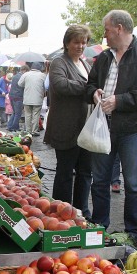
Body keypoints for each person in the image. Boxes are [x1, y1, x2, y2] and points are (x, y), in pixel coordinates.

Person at [86, 10, 137, 246]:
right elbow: (90, 84)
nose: (105, 35)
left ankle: (134, 232)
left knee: (133, 183)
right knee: (99, 180)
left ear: (119, 29)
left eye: (107, 30)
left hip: (131, 127)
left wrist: (119, 101)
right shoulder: (104, 57)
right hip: (104, 126)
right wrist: (94, 93)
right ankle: (99, 226)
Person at [44, 24, 94, 218]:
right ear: (66, 43)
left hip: (85, 127)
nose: (80, 46)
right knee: (65, 172)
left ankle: (82, 212)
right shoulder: (59, 62)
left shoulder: (85, 64)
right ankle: (61, 212)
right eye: (76, 42)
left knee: (85, 172)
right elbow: (61, 85)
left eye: (83, 42)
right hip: (66, 127)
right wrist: (88, 88)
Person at [19, 62, 46, 135]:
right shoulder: (43, 75)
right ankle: (34, 131)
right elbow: (46, 86)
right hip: (38, 99)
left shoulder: (25, 74)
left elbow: (20, 84)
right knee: (36, 115)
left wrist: (27, 84)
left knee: (27, 115)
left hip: (27, 98)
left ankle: (28, 131)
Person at [7, 65, 27, 131]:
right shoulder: (22, 77)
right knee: (18, 113)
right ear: (24, 70)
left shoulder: (15, 76)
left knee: (14, 112)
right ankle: (14, 127)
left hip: (11, 96)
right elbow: (23, 87)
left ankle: (9, 126)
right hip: (18, 96)